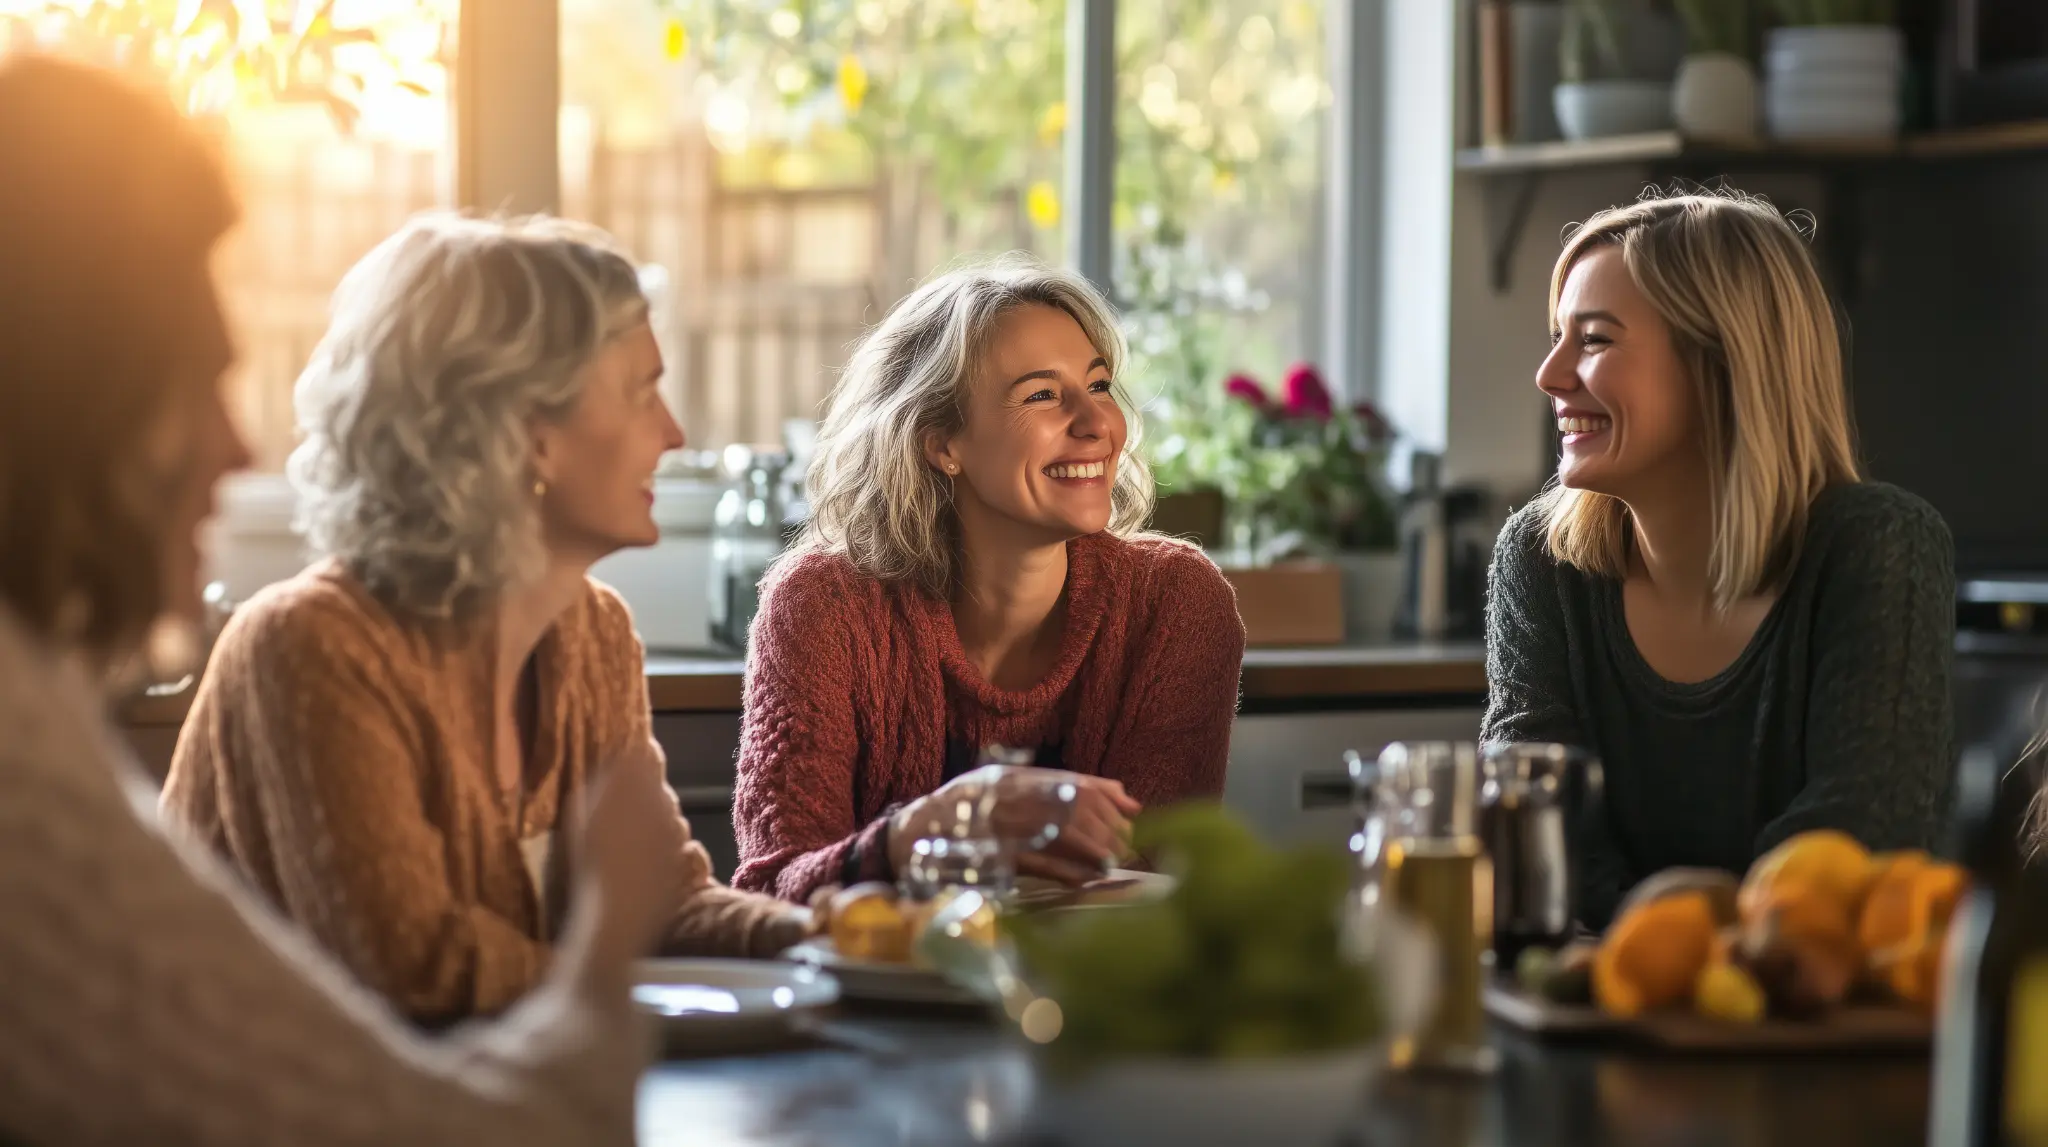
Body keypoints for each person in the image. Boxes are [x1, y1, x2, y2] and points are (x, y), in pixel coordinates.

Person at [0, 54, 674, 1144]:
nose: (238, 444)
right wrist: (608, 954)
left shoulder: (595, 636)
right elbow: (416, 1117)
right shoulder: (37, 762)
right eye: (186, 386)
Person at [159, 212, 806, 1026]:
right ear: (529, 436)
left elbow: (663, 904)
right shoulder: (311, 647)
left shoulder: (593, 633)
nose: (673, 433)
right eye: (642, 392)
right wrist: (635, 985)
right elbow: (415, 971)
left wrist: (830, 941)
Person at [1482, 191, 1956, 928]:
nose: (1550, 373)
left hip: (1810, 1016)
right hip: (1613, 995)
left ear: (1723, 367)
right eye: (1557, 336)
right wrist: (1663, 949)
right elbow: (1536, 826)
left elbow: (1859, 832)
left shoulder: (1880, 545)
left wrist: (1689, 943)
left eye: (1595, 340)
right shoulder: (1540, 562)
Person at [730, 257, 1246, 903]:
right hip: (879, 996)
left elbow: (1161, 890)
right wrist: (922, 832)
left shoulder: (1176, 604)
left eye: (1100, 385)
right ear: (941, 442)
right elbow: (774, 888)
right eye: (1042, 394)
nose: (1096, 425)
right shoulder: (821, 606)